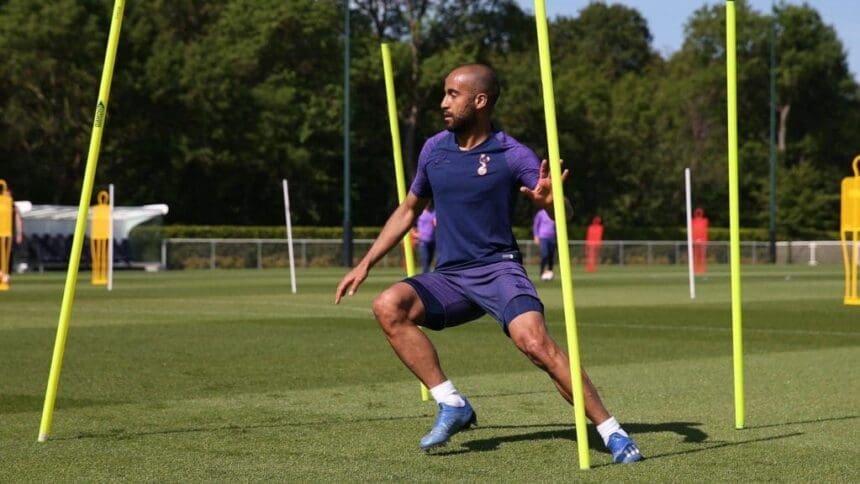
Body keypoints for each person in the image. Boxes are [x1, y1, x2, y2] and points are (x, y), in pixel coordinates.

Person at [334, 64, 642, 463]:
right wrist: (366, 263)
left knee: (536, 345)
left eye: (452, 94)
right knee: (388, 306)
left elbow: (558, 206)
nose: (443, 102)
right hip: (451, 277)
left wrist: (551, 201)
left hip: (499, 270)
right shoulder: (433, 149)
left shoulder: (513, 154)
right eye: (444, 93)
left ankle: (612, 431)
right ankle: (452, 403)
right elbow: (409, 209)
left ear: (479, 101)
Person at [532, 208, 556, 281]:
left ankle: (550, 272)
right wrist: (536, 236)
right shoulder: (541, 213)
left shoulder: (554, 212)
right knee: (545, 255)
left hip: (552, 237)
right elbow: (536, 225)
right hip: (543, 237)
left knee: (551, 256)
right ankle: (542, 272)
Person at [415, 205, 436, 273]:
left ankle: (426, 275)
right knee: (426, 259)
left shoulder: (434, 212)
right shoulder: (419, 212)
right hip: (423, 241)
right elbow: (410, 224)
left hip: (433, 240)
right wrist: (415, 234)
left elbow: (436, 223)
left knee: (430, 259)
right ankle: (426, 277)